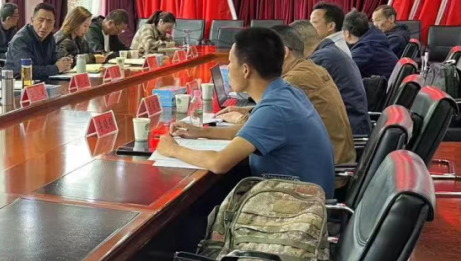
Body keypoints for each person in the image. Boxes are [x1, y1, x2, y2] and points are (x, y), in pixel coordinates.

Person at [155, 27, 336, 195]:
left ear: (246, 70)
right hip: (305, 197)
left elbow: (219, 163)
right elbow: (248, 131)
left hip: (296, 207)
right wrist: (201, 132)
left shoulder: (274, 109)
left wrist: (174, 149)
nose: (227, 67)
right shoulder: (287, 91)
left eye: (230, 62)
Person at [271, 25, 355, 165]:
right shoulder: (314, 69)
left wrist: (239, 117)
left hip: (324, 168)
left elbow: (265, 124)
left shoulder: (294, 79)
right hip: (337, 158)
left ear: (284, 52)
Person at [292, 20, 371, 139]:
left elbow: (294, 101)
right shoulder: (330, 51)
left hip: (347, 133)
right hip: (353, 125)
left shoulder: (320, 60)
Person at [3, 3, 74, 80]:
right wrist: (56, 68)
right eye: (40, 20)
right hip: (16, 83)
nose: (44, 26)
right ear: (32, 20)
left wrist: (64, 63)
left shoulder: (50, 38)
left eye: (49, 21)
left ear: (54, 23)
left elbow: (54, 60)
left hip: (43, 82)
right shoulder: (20, 40)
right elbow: (28, 71)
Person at [343, 10, 399, 80]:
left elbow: (341, 71)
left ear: (347, 33)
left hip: (384, 85)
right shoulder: (373, 38)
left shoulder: (365, 50)